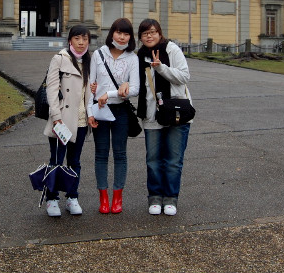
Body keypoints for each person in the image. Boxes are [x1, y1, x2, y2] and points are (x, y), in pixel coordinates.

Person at [136, 19, 193, 216]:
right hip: (151, 114)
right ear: (140, 37)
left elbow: (184, 76)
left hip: (176, 112)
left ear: (159, 33)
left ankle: (170, 198)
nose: (149, 36)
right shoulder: (140, 55)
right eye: (145, 33)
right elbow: (136, 85)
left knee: (173, 160)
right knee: (153, 160)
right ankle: (154, 197)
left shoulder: (171, 50)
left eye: (152, 32)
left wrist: (161, 68)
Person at [87, 18, 139, 214]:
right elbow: (90, 86)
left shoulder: (132, 58)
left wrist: (110, 93)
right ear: (112, 33)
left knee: (120, 154)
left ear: (130, 37)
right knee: (101, 154)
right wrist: (90, 112)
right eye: (118, 33)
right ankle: (103, 197)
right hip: (99, 111)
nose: (122, 37)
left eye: (126, 34)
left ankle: (117, 197)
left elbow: (135, 89)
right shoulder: (99, 54)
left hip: (120, 111)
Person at [42, 25, 93, 217]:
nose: (81, 43)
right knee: (56, 161)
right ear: (70, 40)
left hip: (81, 120)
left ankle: (72, 197)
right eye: (77, 38)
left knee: (74, 161)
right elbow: (52, 90)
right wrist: (56, 118)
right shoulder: (59, 59)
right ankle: (52, 199)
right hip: (62, 121)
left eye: (85, 39)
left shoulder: (89, 61)